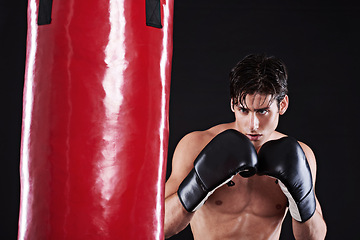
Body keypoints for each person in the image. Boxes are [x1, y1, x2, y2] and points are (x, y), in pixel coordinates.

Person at [164, 54, 327, 240]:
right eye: (243, 110)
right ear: (233, 104)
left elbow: (315, 237)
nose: (253, 125)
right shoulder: (196, 145)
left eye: (262, 111)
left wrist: (303, 200)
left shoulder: (300, 155)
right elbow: (159, 227)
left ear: (282, 105)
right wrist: (198, 185)